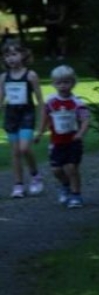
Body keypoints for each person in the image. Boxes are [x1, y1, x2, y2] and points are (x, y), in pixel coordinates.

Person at [35, 65, 90, 208]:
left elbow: (85, 120)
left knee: (71, 168)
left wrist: (80, 133)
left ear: (73, 83)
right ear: (53, 84)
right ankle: (65, 185)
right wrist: (39, 133)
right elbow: (45, 118)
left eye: (66, 82)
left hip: (72, 142)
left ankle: (76, 195)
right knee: (56, 170)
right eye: (59, 83)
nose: (63, 86)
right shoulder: (51, 102)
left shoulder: (77, 103)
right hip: (56, 142)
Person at [0, 40, 44, 198]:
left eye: (14, 54)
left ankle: (35, 175)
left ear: (23, 54)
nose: (10, 58)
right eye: (7, 55)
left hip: (27, 115)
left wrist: (40, 127)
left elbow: (40, 101)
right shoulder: (4, 77)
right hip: (11, 116)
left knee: (24, 148)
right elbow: (1, 98)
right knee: (15, 152)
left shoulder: (31, 75)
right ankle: (18, 185)